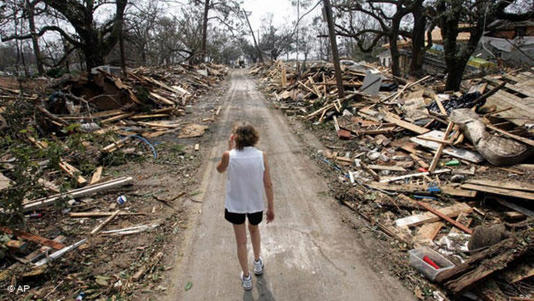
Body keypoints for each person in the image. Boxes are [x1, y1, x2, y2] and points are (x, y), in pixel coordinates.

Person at [216, 123, 275, 291]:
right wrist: (271, 207)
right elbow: (268, 184)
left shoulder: (229, 155)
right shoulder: (261, 155)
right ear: (254, 137)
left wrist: (228, 148)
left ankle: (247, 277)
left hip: (235, 205)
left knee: (240, 242)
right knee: (254, 230)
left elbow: (220, 169)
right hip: (255, 203)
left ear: (235, 138)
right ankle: (257, 262)